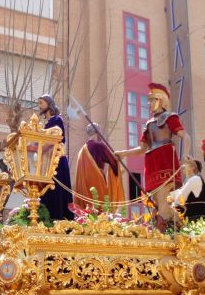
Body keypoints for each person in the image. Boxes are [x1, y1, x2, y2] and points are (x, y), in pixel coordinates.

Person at [115, 83, 187, 228]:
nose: (148, 104)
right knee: (159, 203)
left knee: (162, 200)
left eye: (151, 100)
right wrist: (123, 153)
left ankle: (166, 230)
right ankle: (180, 228)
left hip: (165, 162)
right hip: (152, 165)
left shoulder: (170, 117)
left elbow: (186, 136)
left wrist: (185, 155)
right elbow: (142, 148)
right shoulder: (149, 124)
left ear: (160, 100)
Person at [37, 94, 74, 221]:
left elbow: (60, 137)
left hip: (57, 161)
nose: (40, 106)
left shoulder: (57, 120)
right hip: (48, 162)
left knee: (57, 191)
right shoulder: (46, 123)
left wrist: (41, 133)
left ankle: (59, 219)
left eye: (41, 103)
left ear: (49, 104)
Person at [74, 123, 125, 210]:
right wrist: (120, 158)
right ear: (98, 132)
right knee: (100, 209)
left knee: (88, 211)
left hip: (84, 187)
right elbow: (113, 161)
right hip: (97, 182)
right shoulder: (99, 145)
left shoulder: (82, 150)